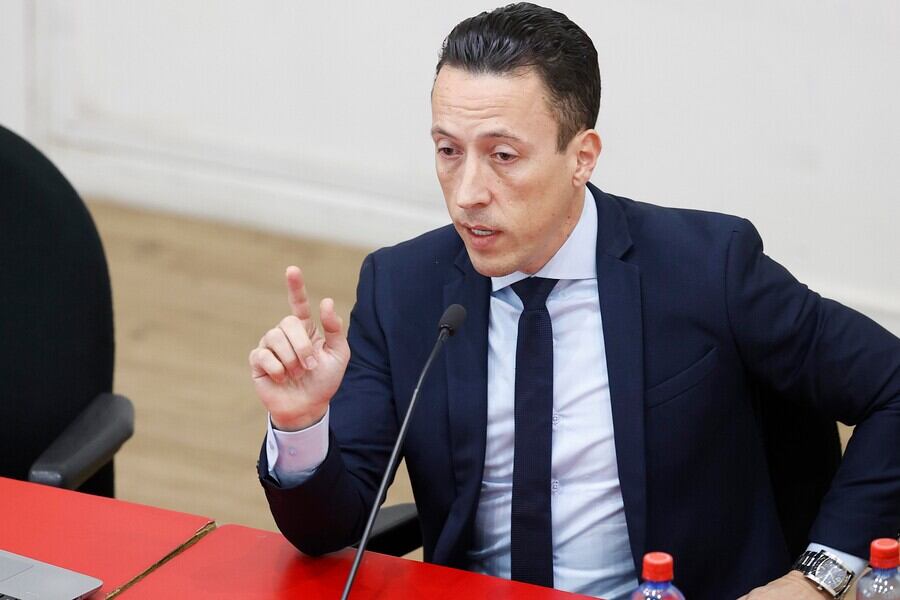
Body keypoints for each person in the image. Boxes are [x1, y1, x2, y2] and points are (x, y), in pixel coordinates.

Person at [249, 4, 899, 599]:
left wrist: (819, 576)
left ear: (581, 156)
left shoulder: (708, 268)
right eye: (448, 151)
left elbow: (891, 387)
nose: (467, 191)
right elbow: (329, 530)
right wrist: (302, 424)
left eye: (503, 155)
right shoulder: (403, 288)